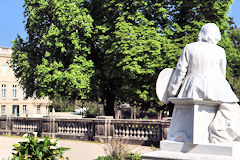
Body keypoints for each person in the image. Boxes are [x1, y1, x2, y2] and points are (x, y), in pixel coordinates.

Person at [168, 23, 240, 143]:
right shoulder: (220, 51)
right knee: (233, 107)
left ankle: (218, 133)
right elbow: (222, 73)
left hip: (192, 86)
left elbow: (180, 70)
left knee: (233, 108)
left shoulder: (189, 47)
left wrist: (172, 91)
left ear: (202, 33)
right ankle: (219, 133)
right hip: (216, 85)